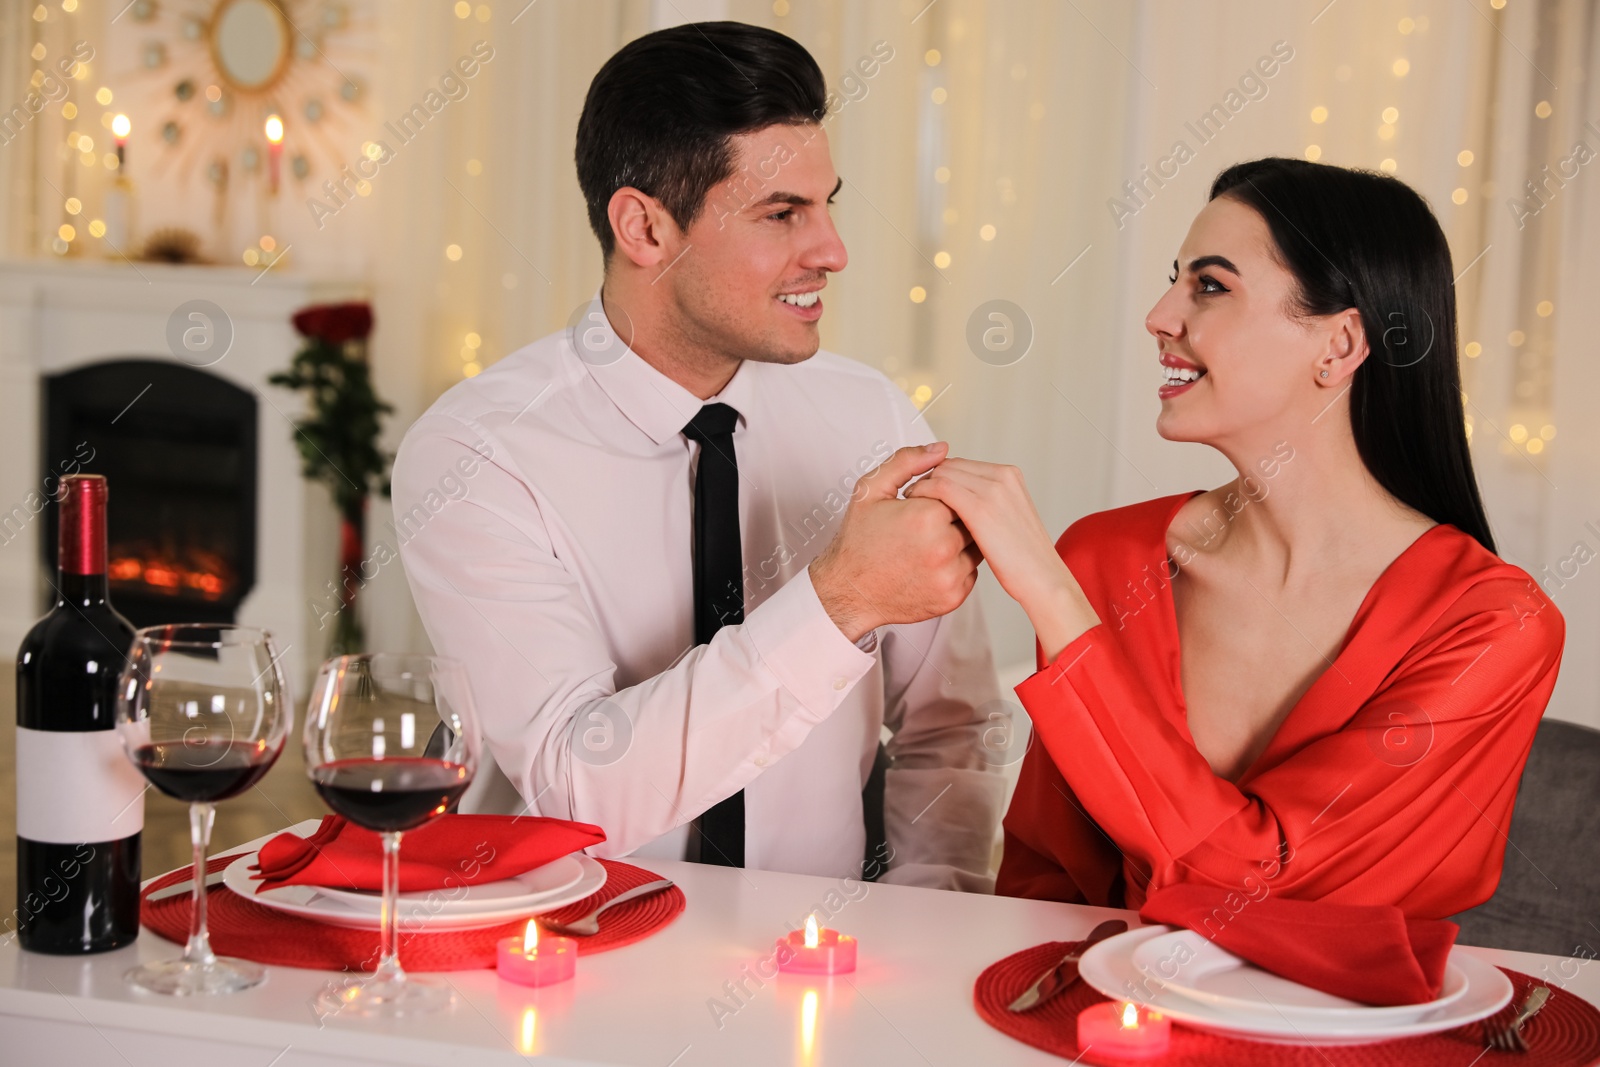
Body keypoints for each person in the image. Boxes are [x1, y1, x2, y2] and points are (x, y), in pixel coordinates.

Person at [391, 22, 1003, 891]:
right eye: (781, 213)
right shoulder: (477, 454)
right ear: (644, 227)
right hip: (567, 953)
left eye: (827, 202)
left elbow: (954, 724)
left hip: (822, 968)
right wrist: (836, 603)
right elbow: (577, 783)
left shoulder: (869, 414)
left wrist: (926, 905)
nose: (832, 249)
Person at [908, 158, 1566, 917]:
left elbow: (1252, 881)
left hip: (1345, 1035)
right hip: (1105, 1021)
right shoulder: (1107, 559)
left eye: (1210, 286)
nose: (1160, 315)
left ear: (1342, 345)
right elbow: (1046, 879)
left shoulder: (1493, 628)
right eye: (1175, 279)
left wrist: (1051, 596)